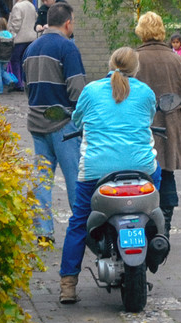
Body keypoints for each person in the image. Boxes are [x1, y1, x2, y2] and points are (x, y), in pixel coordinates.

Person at [60, 47, 160, 304]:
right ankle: (157, 239)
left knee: (80, 220)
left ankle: (68, 284)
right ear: (136, 69)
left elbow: (78, 121)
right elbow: (147, 120)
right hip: (141, 170)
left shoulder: (91, 90)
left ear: (110, 63)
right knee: (156, 205)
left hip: (96, 172)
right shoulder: (146, 92)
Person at [23, 2, 87, 246]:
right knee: (75, 180)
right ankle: (82, 231)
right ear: (68, 23)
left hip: (36, 122)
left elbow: (27, 87)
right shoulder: (67, 48)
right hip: (63, 124)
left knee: (42, 180)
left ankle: (43, 233)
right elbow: (77, 88)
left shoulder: (31, 49)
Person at [134, 11, 181, 235]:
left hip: (141, 124)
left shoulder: (134, 59)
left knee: (139, 173)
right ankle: (165, 226)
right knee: (167, 172)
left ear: (141, 31)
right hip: (169, 122)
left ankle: (141, 223)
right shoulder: (176, 59)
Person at [7, 0, 37, 92]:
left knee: (15, 60)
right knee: (27, 62)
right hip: (32, 38)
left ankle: (18, 83)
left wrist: (11, 34)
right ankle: (28, 82)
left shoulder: (17, 7)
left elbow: (16, 23)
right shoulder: (31, 6)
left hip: (20, 39)